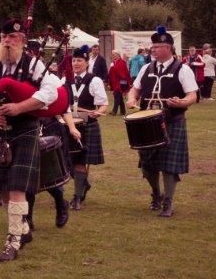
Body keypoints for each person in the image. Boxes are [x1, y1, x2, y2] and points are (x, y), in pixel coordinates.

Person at [0, 18, 62, 262]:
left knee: (16, 187)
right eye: (4, 37)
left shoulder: (34, 64)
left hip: (24, 131)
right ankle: (23, 229)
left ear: (23, 40)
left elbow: (50, 93)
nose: (7, 41)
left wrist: (20, 107)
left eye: (12, 37)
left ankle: (13, 241)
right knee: (3, 188)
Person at [126, 26, 198, 218]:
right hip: (146, 123)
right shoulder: (146, 68)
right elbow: (135, 89)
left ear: (168, 48)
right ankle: (156, 193)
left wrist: (181, 102)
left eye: (157, 47)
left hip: (172, 121)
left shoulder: (183, 69)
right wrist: (131, 98)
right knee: (147, 164)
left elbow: (192, 95)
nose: (153, 49)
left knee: (168, 165)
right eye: (153, 46)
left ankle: (168, 202)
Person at [69, 46, 109, 210]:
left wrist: (97, 113)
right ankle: (83, 184)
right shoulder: (65, 79)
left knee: (79, 162)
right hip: (69, 125)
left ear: (86, 63)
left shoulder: (94, 80)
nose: (76, 63)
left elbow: (104, 105)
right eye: (74, 60)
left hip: (87, 126)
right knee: (66, 162)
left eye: (79, 60)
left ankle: (77, 197)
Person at [107, 50, 132, 116]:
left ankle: (114, 111)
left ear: (118, 55)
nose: (113, 56)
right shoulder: (114, 63)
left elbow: (124, 72)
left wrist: (114, 69)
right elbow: (111, 73)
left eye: (114, 54)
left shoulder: (122, 62)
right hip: (116, 82)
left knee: (117, 96)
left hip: (122, 82)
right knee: (119, 97)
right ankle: (123, 111)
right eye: (112, 54)